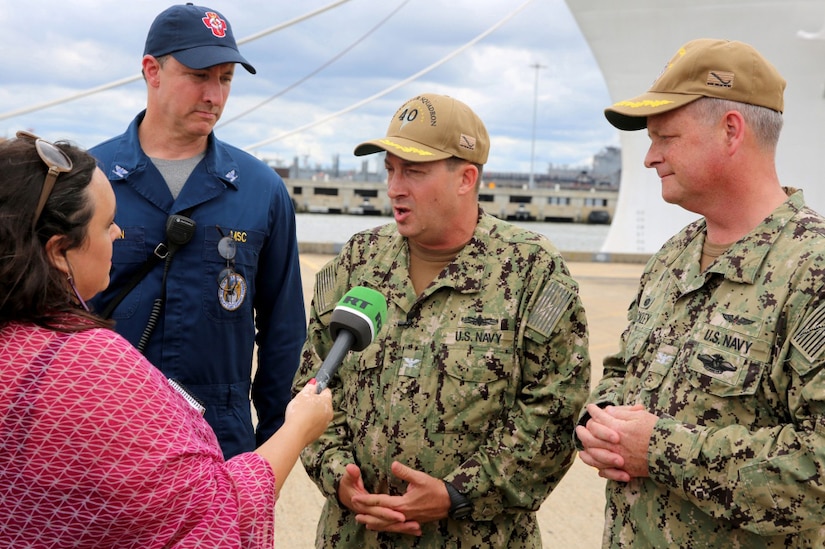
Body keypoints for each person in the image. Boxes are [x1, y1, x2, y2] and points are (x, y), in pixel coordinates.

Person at [0, 133, 333, 547]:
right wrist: (295, 430)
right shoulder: (97, 364)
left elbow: (282, 331)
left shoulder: (261, 187)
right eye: (106, 225)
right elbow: (216, 518)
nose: (119, 234)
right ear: (57, 249)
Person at [292, 92, 591, 547]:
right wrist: (339, 478)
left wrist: (458, 493)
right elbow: (312, 380)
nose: (394, 187)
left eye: (413, 171)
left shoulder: (532, 269)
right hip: (355, 535)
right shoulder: (359, 259)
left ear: (465, 178)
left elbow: (555, 410)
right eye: (390, 169)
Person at [575, 38, 825, 547]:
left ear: (731, 131)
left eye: (665, 137)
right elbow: (624, 372)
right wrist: (601, 425)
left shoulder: (811, 271)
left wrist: (660, 449)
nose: (649, 158)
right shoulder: (673, 257)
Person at [88, 4, 306, 459]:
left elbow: (283, 332)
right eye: (199, 75)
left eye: (225, 78)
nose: (214, 94)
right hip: (103, 434)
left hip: (220, 444)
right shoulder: (89, 181)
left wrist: (272, 451)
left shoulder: (261, 191)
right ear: (152, 71)